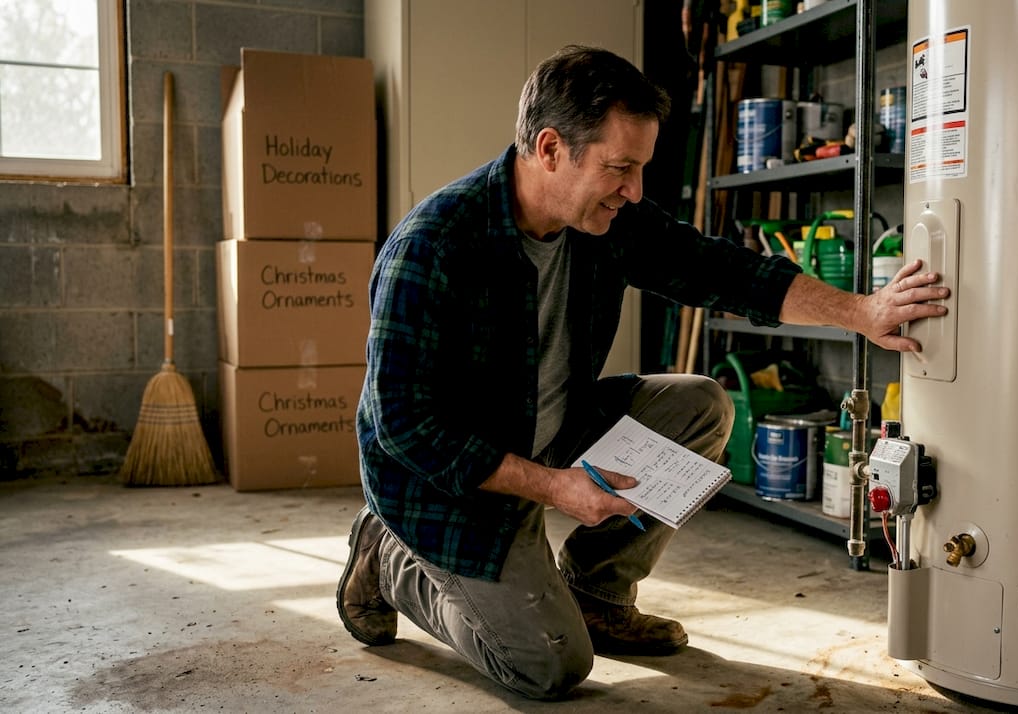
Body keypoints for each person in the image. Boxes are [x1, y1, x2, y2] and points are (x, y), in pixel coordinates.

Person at [337, 44, 948, 700]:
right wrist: (552, 487)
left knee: (702, 406)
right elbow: (404, 425)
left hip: (550, 426)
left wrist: (861, 311)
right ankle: (390, 560)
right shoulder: (433, 246)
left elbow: (721, 270)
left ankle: (597, 590)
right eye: (619, 168)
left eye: (641, 169)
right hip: (445, 481)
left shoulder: (611, 222)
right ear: (549, 149)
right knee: (548, 667)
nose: (633, 191)